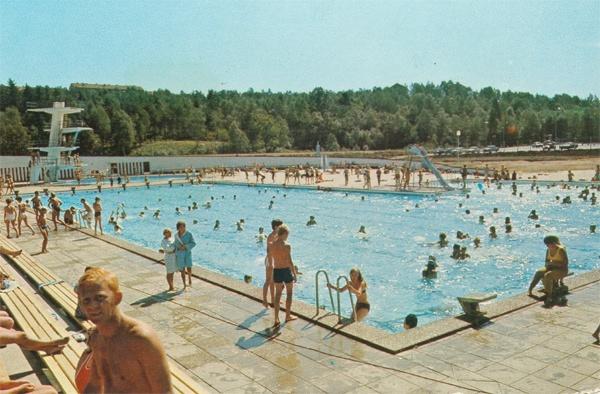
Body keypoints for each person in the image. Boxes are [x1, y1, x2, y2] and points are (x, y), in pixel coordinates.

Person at [75, 267, 172, 393]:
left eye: (100, 298)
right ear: (81, 306)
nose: (93, 306)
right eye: (86, 301)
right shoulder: (96, 338)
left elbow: (164, 392)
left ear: (117, 298)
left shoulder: (140, 339)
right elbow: (94, 385)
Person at [527, 235, 569, 306]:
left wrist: (554, 264)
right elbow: (546, 262)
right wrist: (550, 265)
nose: (547, 246)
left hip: (562, 270)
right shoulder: (548, 250)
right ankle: (530, 290)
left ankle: (549, 295)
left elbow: (565, 263)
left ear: (554, 243)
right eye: (546, 244)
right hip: (551, 267)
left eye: (548, 244)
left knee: (548, 275)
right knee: (539, 272)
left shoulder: (561, 250)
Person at [270, 225, 298, 326]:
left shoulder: (272, 245)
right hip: (286, 270)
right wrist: (294, 273)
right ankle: (287, 316)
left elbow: (271, 258)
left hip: (277, 270)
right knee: (289, 293)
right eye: (287, 235)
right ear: (284, 234)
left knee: (277, 295)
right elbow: (290, 261)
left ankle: (276, 318)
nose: (287, 237)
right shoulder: (287, 246)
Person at [263, 219, 282, 308]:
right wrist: (271, 263)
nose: (282, 227)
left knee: (273, 282)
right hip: (270, 260)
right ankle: (264, 300)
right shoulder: (271, 236)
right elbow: (269, 250)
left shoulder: (277, 235)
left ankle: (273, 300)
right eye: (280, 226)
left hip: (274, 259)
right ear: (275, 227)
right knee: (268, 280)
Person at [174, 221, 195, 288]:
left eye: (184, 226)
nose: (182, 228)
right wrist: (178, 247)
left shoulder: (189, 234)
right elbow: (175, 244)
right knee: (182, 269)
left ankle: (190, 279)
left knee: (189, 267)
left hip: (187, 253)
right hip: (180, 254)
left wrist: (185, 246)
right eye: (181, 227)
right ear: (178, 228)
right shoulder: (176, 235)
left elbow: (193, 243)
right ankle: (184, 284)